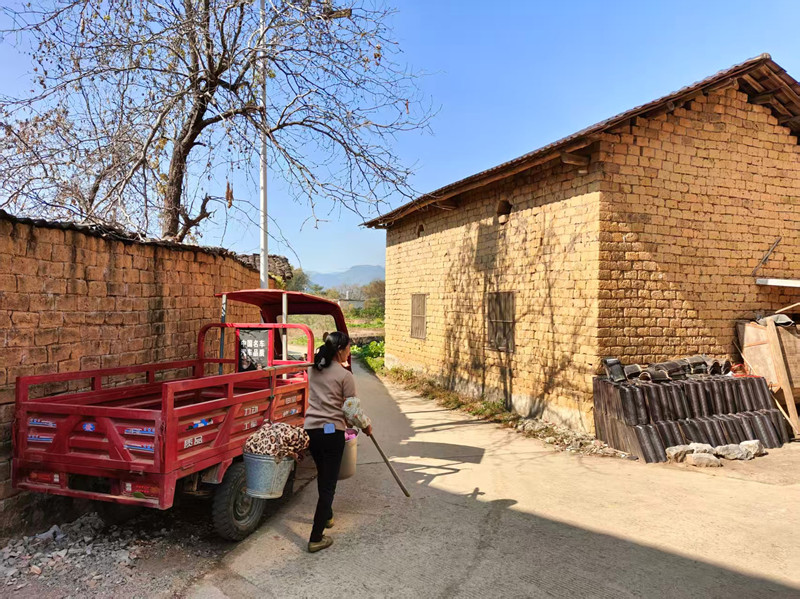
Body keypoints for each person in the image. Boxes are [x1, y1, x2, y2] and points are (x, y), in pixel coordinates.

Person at [303, 331, 372, 553]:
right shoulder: (345, 375)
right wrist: (366, 425)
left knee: (323, 475)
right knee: (329, 484)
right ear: (340, 350)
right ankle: (316, 537)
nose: (349, 352)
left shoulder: (313, 369)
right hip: (332, 433)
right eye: (348, 348)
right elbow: (352, 411)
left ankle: (327, 516)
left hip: (312, 431)